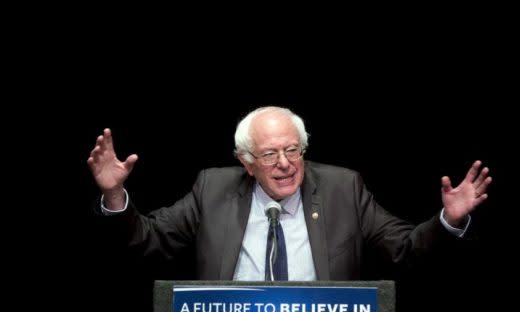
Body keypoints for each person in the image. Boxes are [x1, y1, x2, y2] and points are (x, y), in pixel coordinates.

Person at [87, 106, 492, 281]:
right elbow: (148, 239)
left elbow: (404, 247)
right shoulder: (212, 188)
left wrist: (448, 221)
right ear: (246, 162)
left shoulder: (341, 188)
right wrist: (115, 196)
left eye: (293, 149)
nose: (285, 162)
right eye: (269, 154)